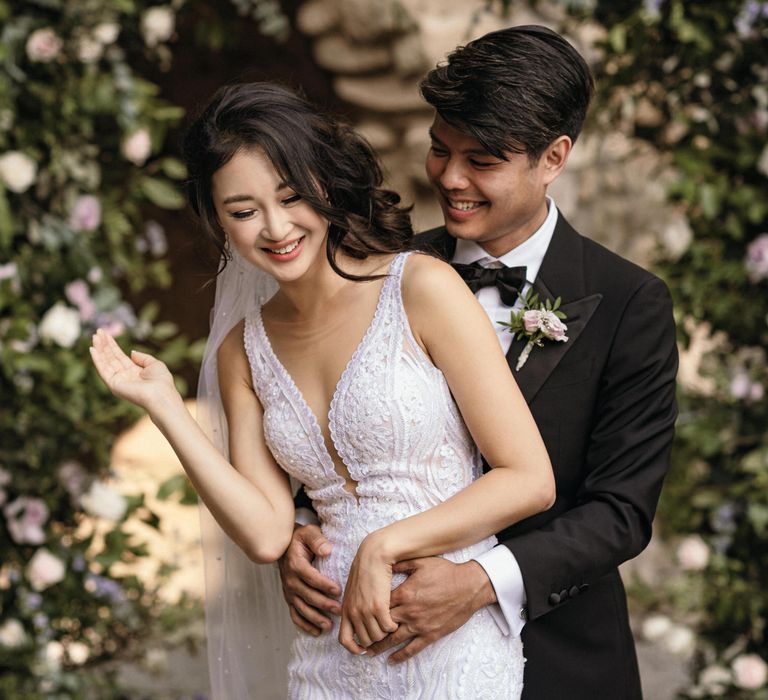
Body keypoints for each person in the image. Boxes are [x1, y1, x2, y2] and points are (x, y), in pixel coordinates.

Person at [89, 81, 556, 698]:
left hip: (448, 643)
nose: (276, 228)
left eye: (291, 196)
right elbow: (264, 534)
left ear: (324, 184)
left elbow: (529, 479)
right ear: (217, 219)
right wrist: (164, 407)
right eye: (243, 210)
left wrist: (383, 547)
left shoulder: (421, 288)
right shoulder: (242, 350)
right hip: (327, 655)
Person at [279, 25, 679, 699]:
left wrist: (479, 584)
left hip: (558, 663)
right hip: (380, 661)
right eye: (441, 149)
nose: (451, 178)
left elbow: (621, 509)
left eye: (482, 161)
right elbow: (325, 420)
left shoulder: (628, 302)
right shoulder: (377, 270)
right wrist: (301, 533)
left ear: (553, 157)